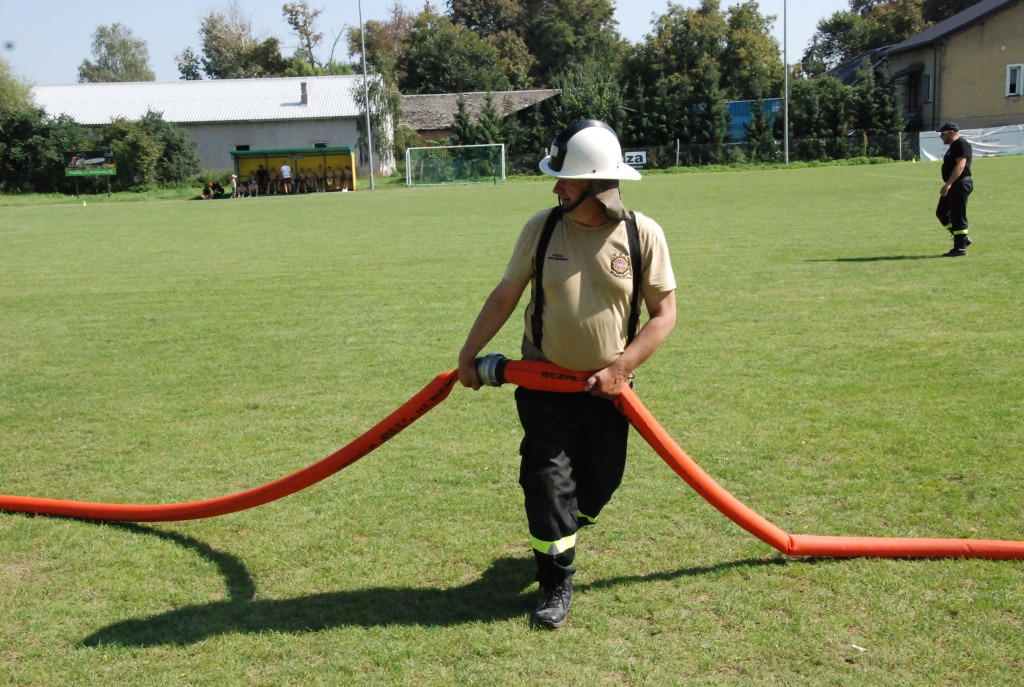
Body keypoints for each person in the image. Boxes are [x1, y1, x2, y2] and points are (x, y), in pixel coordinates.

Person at [457, 120, 677, 629]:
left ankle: (558, 522)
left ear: (599, 184)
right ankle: (555, 584)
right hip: (542, 386)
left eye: (567, 180)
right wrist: (469, 355)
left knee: (598, 485)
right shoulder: (543, 228)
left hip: (609, 395)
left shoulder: (642, 235)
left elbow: (664, 314)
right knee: (548, 479)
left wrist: (621, 369)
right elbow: (505, 295)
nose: (556, 187)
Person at [935, 122, 973, 257]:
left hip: (960, 184)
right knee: (942, 212)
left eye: (943, 134)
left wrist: (949, 183)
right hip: (954, 185)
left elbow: (961, 165)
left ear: (951, 132)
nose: (941, 137)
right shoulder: (953, 146)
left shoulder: (962, 144)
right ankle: (962, 239)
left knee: (958, 215)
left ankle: (960, 248)